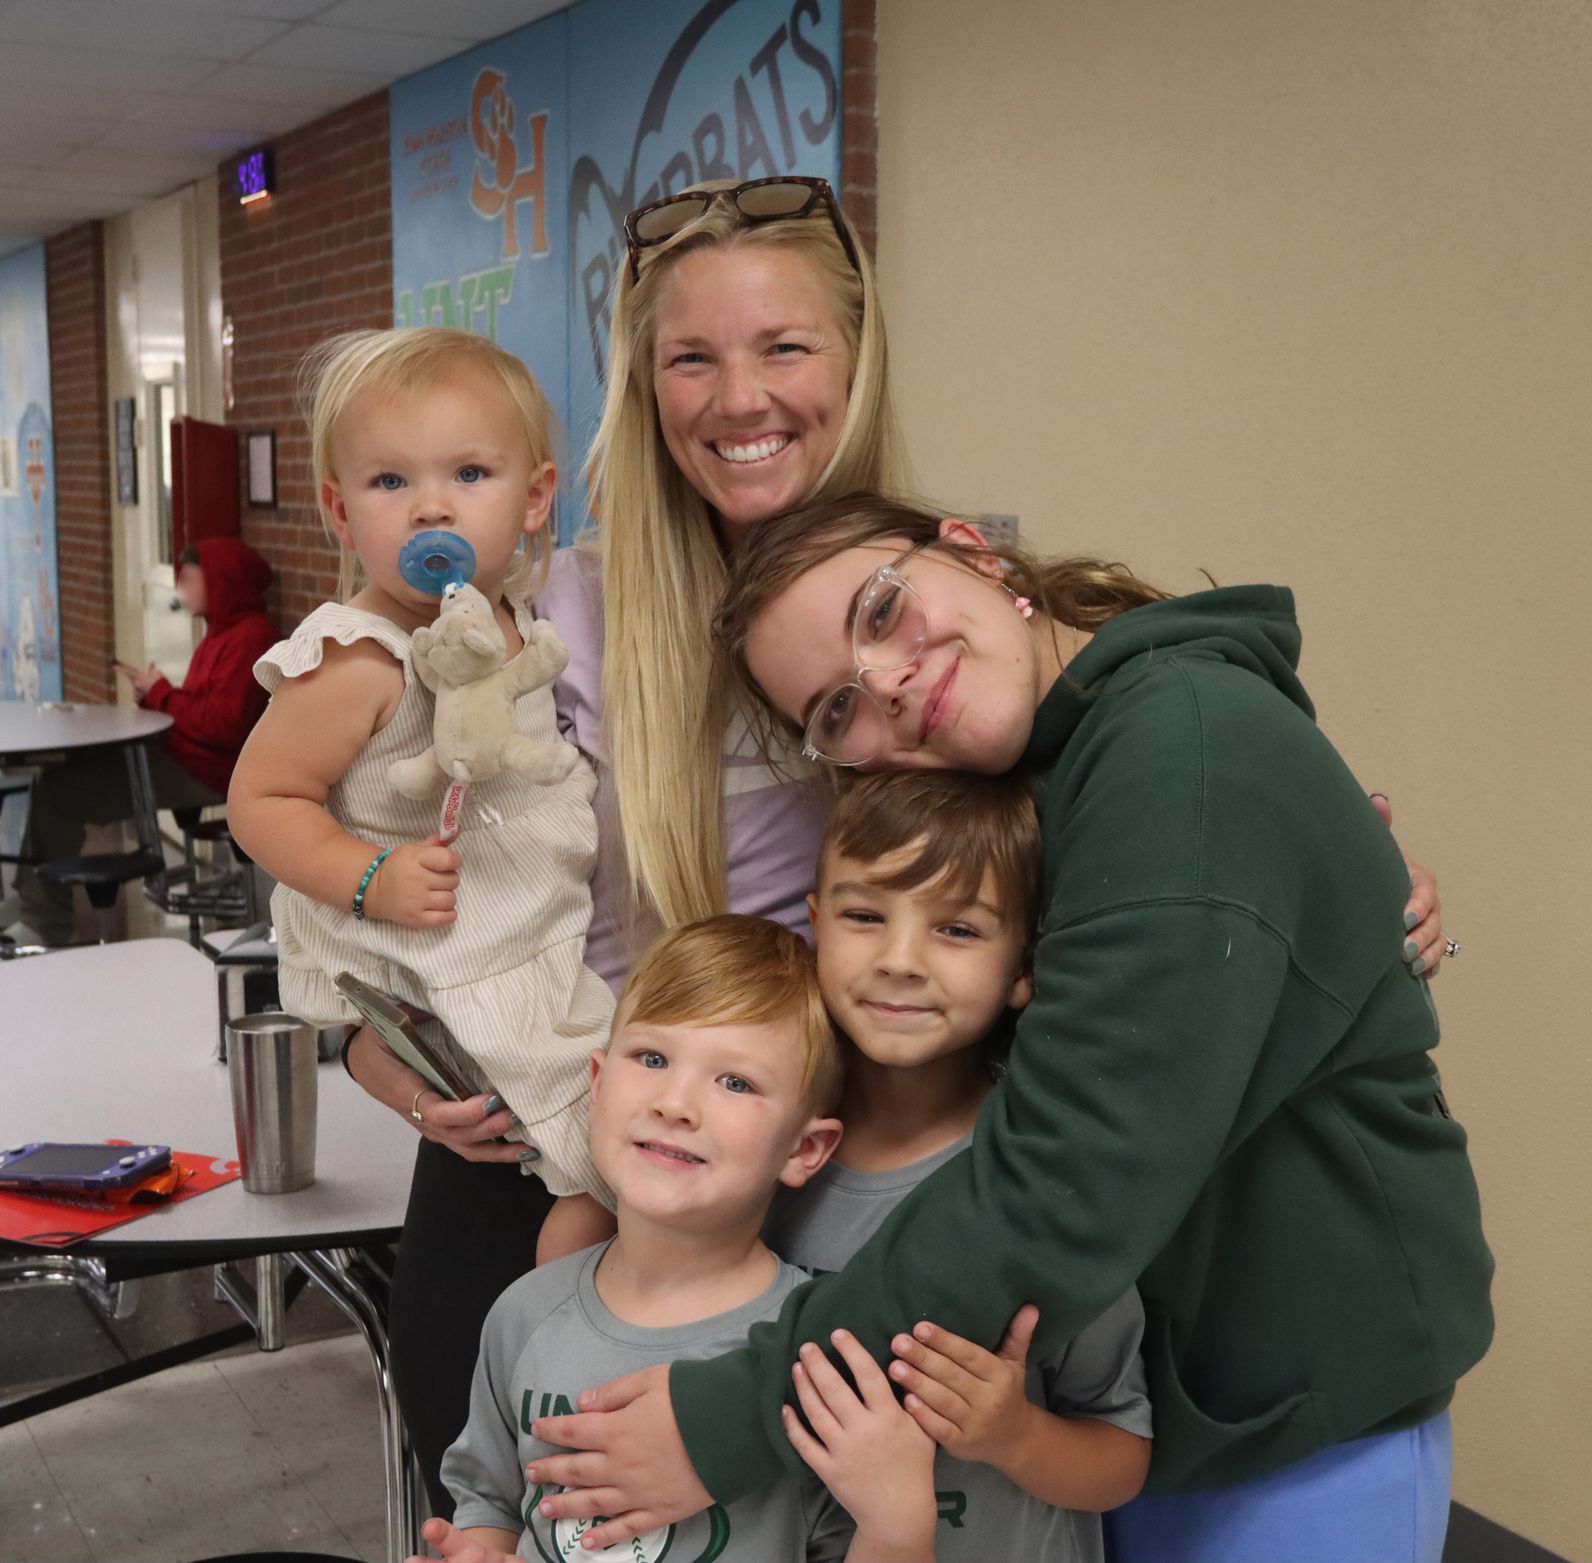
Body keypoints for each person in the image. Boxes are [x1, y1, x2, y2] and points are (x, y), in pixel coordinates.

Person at [339, 176, 1450, 1514]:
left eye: (784, 345)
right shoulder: (538, 617)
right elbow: (363, 857)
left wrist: (1347, 875)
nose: (739, 397)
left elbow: (1158, 822)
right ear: (642, 388)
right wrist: (381, 1048)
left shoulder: (978, 642)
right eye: (690, 358)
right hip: (566, 1145)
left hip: (855, 1181)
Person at [556, 492, 1485, 1563]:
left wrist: (730, 1419)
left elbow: (1065, 1180)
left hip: (1300, 1430)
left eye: (881, 610)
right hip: (1156, 1418)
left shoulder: (1180, 752)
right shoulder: (1056, 769)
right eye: (838, 709)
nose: (886, 683)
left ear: (976, 554)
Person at [229, 327, 618, 1271]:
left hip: (532, 925)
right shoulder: (357, 658)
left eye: (470, 473)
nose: (431, 505)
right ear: (340, 509)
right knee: (593, 1151)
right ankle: (560, 1313)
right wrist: (369, 877)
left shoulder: (512, 617)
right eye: (390, 481)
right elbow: (261, 800)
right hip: (445, 944)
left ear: (535, 498)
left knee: (608, 1115)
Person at [417, 914, 934, 1563]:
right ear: (597, 1084)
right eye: (653, 1058)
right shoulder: (523, 1313)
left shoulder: (814, 1351)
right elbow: (491, 1504)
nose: (675, 1103)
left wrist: (898, 1524)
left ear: (804, 1149)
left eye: (735, 1081)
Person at [766, 769, 1152, 1560]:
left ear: (1023, 967)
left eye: (958, 929)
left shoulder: (1046, 1178)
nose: (901, 959)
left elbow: (1122, 1451)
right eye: (865, 915)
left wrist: (1017, 1435)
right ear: (815, 925)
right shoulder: (764, 1154)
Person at [9, 537, 275, 946]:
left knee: (58, 791)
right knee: (61, 777)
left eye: (190, 579)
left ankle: (45, 922)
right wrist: (154, 694)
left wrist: (161, 692)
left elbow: (222, 727)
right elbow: (199, 709)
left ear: (221, 581)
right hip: (187, 757)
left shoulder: (251, 638)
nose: (181, 589)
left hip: (209, 771)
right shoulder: (218, 633)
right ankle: (38, 907)